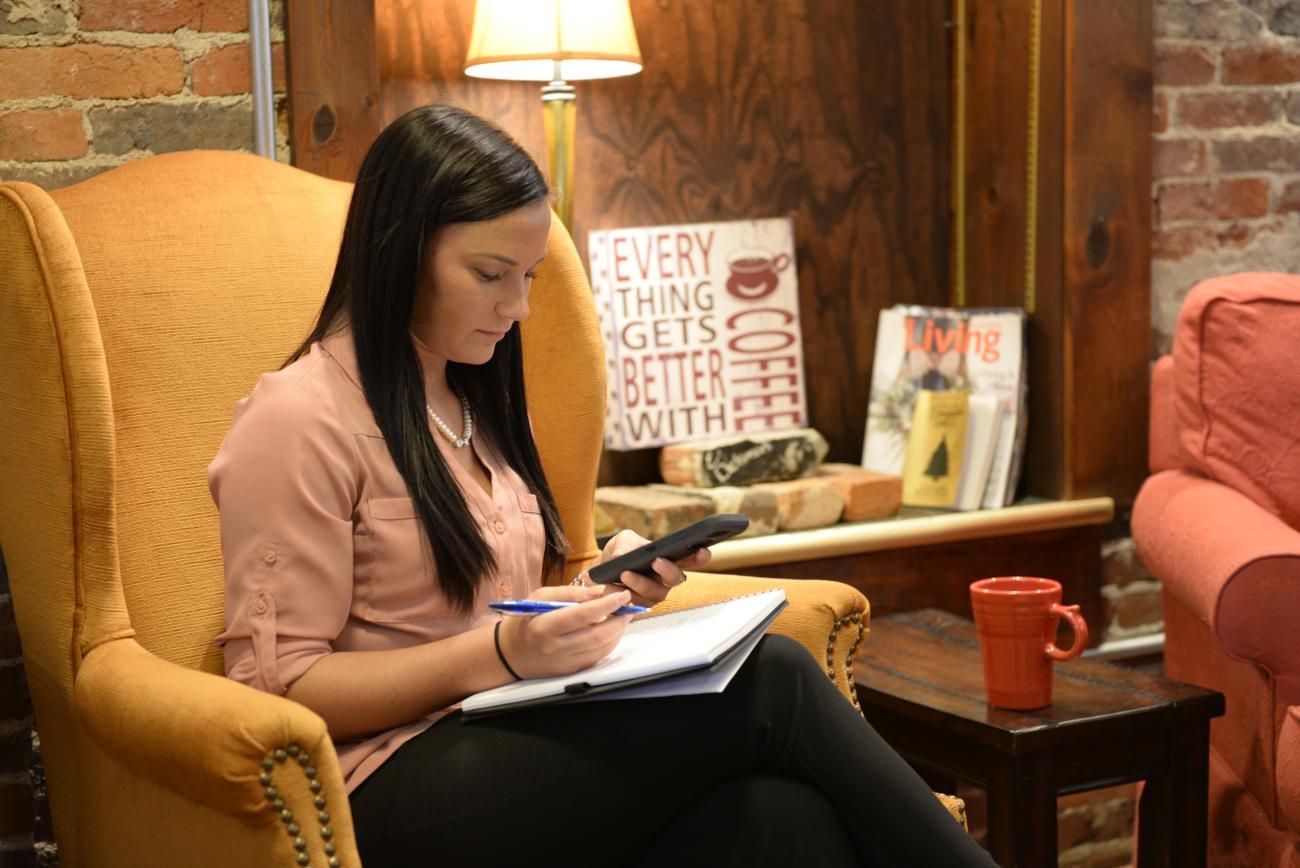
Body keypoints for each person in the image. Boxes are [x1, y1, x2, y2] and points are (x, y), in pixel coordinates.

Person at [210, 104, 998, 868]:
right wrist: (497, 655)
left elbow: (490, 606)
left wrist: (595, 595)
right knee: (775, 678)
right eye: (489, 274)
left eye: (527, 277)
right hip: (385, 786)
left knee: (781, 817)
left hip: (507, 735)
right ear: (399, 249)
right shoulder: (299, 419)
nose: (516, 309)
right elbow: (284, 687)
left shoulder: (465, 403)